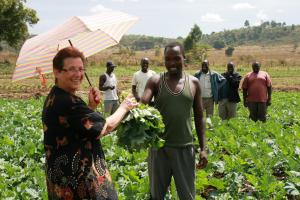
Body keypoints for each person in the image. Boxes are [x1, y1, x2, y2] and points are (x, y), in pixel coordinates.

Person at [42, 47, 137, 200]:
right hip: (80, 183)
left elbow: (76, 127)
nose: (78, 74)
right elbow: (104, 127)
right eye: (72, 69)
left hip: (61, 180)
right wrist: (124, 107)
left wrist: (90, 107)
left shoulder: (55, 96)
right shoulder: (68, 101)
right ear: (57, 72)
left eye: (81, 69)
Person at [141, 42, 208, 200]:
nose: (172, 63)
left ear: (184, 59)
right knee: (156, 196)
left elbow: (199, 116)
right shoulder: (155, 81)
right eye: (167, 59)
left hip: (184, 148)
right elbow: (143, 102)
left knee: (188, 196)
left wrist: (203, 148)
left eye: (176, 58)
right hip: (159, 149)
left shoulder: (193, 83)